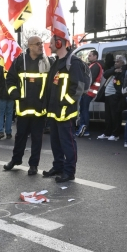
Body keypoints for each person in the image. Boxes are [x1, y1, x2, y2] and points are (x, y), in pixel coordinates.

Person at [4, 36, 51, 175]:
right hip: (23, 107)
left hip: (39, 108)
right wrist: (15, 94)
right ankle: (16, 160)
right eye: (37, 44)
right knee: (20, 137)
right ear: (30, 46)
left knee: (37, 138)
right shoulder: (20, 61)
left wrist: (46, 101)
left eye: (41, 43)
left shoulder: (47, 61)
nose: (41, 46)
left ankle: (33, 165)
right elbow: (10, 80)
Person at [43, 36, 85, 182]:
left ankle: (69, 171)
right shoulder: (56, 63)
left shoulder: (73, 62)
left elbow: (78, 88)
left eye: (52, 43)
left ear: (60, 43)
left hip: (65, 112)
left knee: (67, 142)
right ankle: (58, 167)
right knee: (55, 142)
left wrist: (64, 103)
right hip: (54, 112)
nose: (49, 46)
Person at [98, 54, 127, 141]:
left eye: (118, 61)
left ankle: (115, 134)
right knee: (108, 116)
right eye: (115, 61)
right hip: (108, 95)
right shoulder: (113, 69)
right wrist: (114, 70)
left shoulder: (124, 71)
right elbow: (105, 74)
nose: (115, 63)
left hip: (114, 95)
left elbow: (122, 83)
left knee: (115, 116)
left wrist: (117, 95)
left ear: (122, 63)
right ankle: (107, 132)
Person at [76, 49, 103, 137]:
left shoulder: (95, 66)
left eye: (90, 55)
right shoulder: (93, 65)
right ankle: (84, 129)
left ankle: (85, 129)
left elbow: (90, 79)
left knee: (84, 111)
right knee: (84, 110)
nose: (88, 57)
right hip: (89, 92)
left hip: (88, 92)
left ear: (95, 56)